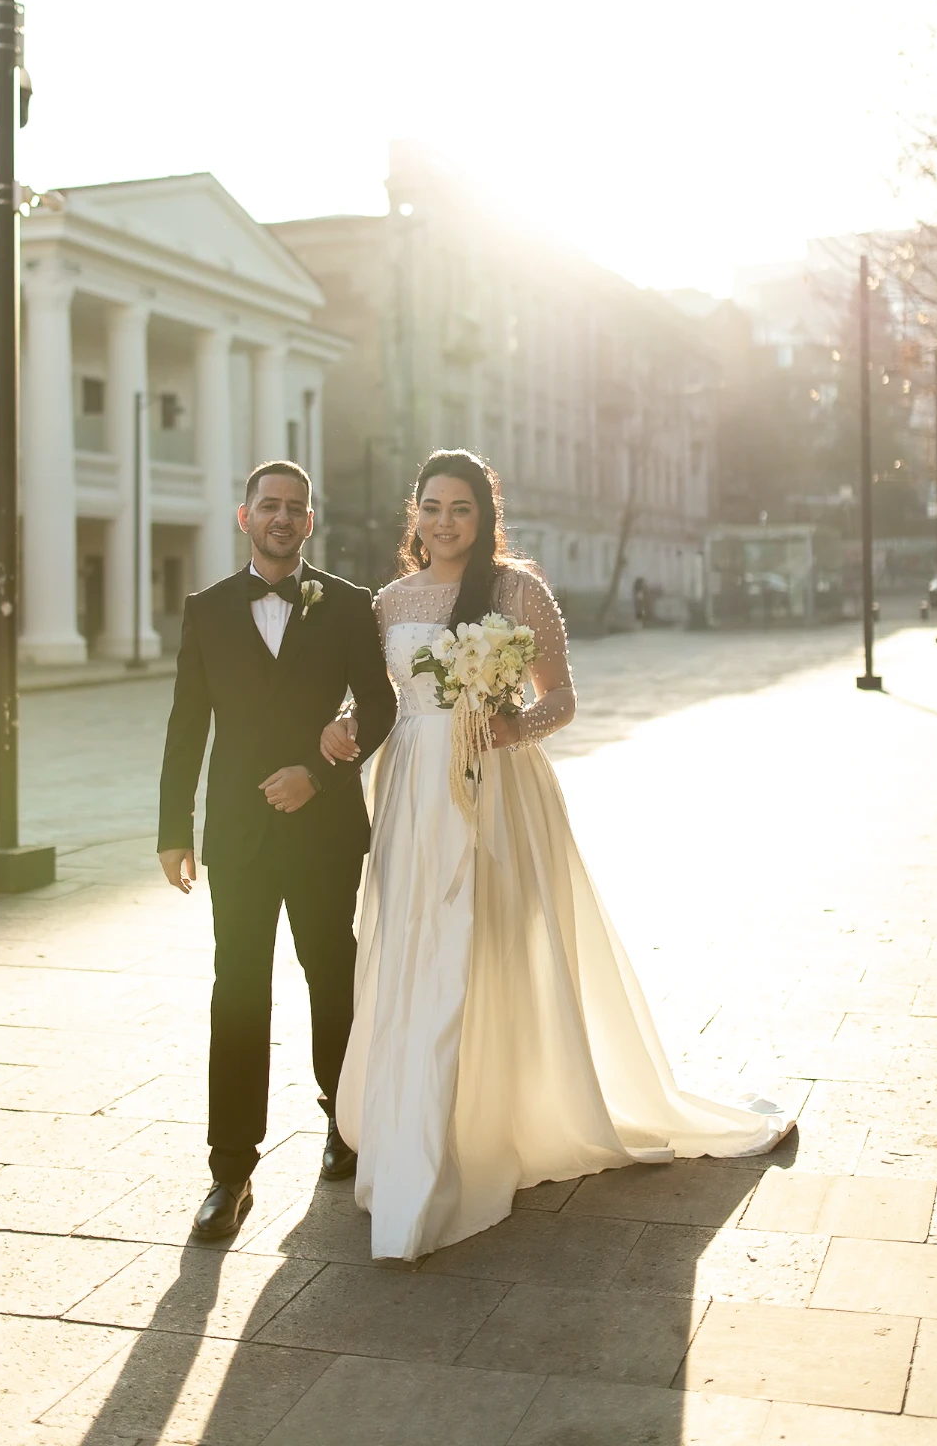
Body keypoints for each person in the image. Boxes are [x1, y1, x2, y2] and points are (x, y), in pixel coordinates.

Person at [322, 449, 794, 1263]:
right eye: (432, 506)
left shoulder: (517, 591)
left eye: (461, 508)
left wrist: (515, 727)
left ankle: (477, 1128)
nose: (445, 521)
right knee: (414, 953)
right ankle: (414, 1135)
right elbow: (375, 699)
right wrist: (340, 728)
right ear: (415, 514)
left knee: (486, 951)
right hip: (410, 796)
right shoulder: (390, 600)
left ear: (484, 514)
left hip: (498, 791)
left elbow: (562, 697)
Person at [157, 460, 397, 1242]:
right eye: (270, 505)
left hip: (323, 829)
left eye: (296, 507)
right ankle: (230, 1172)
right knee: (239, 993)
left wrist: (323, 772)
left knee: (333, 978)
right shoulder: (208, 609)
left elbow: (381, 703)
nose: (283, 517)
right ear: (245, 516)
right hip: (239, 833)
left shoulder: (350, 605)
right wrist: (172, 828)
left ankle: (346, 1120)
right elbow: (188, 721)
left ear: (310, 521)